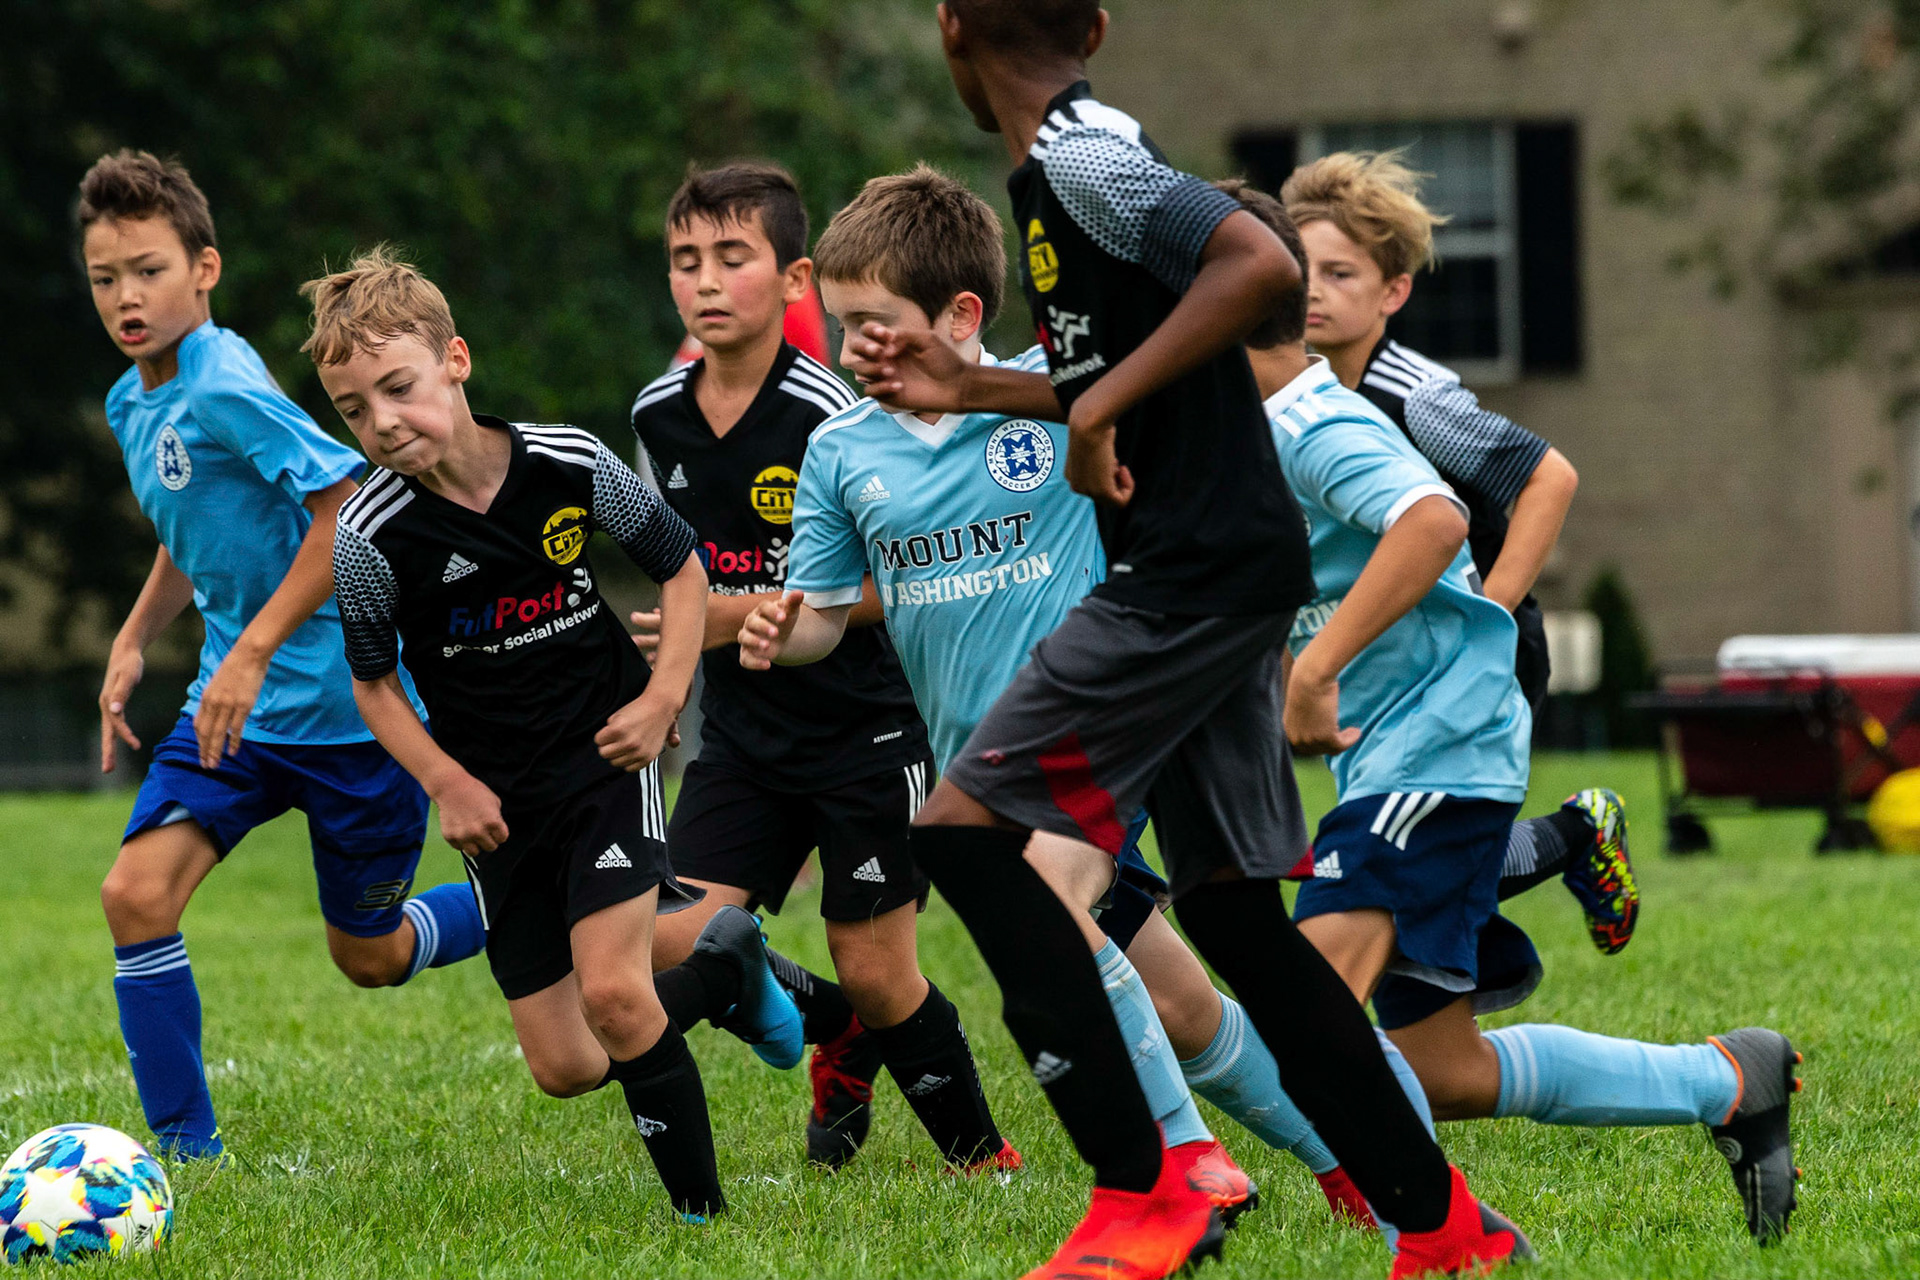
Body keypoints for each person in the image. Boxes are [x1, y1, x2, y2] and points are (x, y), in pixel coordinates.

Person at [844, 5, 1530, 1276]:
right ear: (1098, 22)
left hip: (1189, 571)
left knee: (964, 833)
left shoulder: (1081, 154)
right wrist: (979, 386)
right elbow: (1163, 365)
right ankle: (1446, 1227)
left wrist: (1094, 408)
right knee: (1236, 917)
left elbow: (1259, 265)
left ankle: (1144, 1189)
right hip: (1224, 568)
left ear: (950, 26)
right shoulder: (1070, 164)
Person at [1225, 181, 1802, 1246]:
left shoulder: (1367, 404)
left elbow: (1485, 500)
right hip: (1393, 738)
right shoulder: (1242, 419)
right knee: (1442, 1069)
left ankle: (1442, 1238)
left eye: (1339, 272)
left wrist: (1460, 628)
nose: (1316, 292)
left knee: (1309, 1005)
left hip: (1444, 723)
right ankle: (1726, 1079)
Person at [745, 162, 1268, 1227]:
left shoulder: (1058, 395)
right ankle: (1359, 1144)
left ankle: (1186, 1159)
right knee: (1182, 1006)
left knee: (1049, 906)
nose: (851, 351)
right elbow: (823, 613)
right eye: (840, 327)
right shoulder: (840, 450)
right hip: (980, 773)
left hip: (1096, 731)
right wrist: (781, 632)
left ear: (961, 315)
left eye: (876, 327)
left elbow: (1174, 377)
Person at [310, 248, 800, 1221]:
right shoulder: (369, 533)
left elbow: (683, 566)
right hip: (498, 802)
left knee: (616, 994)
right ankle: (725, 969)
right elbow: (373, 684)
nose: (383, 422)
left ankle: (703, 1223)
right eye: (354, 411)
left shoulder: (567, 461)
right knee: (568, 1065)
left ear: (456, 360)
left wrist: (664, 696)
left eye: (398, 388)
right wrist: (446, 781)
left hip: (604, 759)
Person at [82, 150, 486, 1162]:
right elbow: (193, 527)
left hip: (353, 715)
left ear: (203, 269)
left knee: (370, 957)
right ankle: (187, 1155)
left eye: (149, 270)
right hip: (235, 716)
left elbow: (341, 504)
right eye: (105, 277)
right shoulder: (132, 400)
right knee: (135, 894)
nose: (127, 297)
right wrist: (134, 638)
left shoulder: (222, 379)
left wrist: (255, 648)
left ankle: (522, 897)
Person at [629, 163, 1013, 1175]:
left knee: (881, 971)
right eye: (685, 260)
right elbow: (678, 570)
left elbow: (906, 569)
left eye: (733, 257)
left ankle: (981, 1157)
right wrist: (671, 669)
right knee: (672, 936)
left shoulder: (836, 408)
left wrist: (749, 613)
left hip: (867, 726)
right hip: (744, 735)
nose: (706, 280)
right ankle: (831, 1024)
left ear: (795, 279)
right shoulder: (656, 412)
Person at [1281, 151, 1638, 955]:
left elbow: (1549, 477)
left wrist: (1490, 613)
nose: (1312, 291)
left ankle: (1578, 834)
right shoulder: (1297, 396)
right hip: (1398, 655)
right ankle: (1571, 842)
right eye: (1299, 271)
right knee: (1413, 849)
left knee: (1411, 851)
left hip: (1479, 648)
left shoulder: (1416, 397)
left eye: (1339, 273)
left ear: (1394, 292)